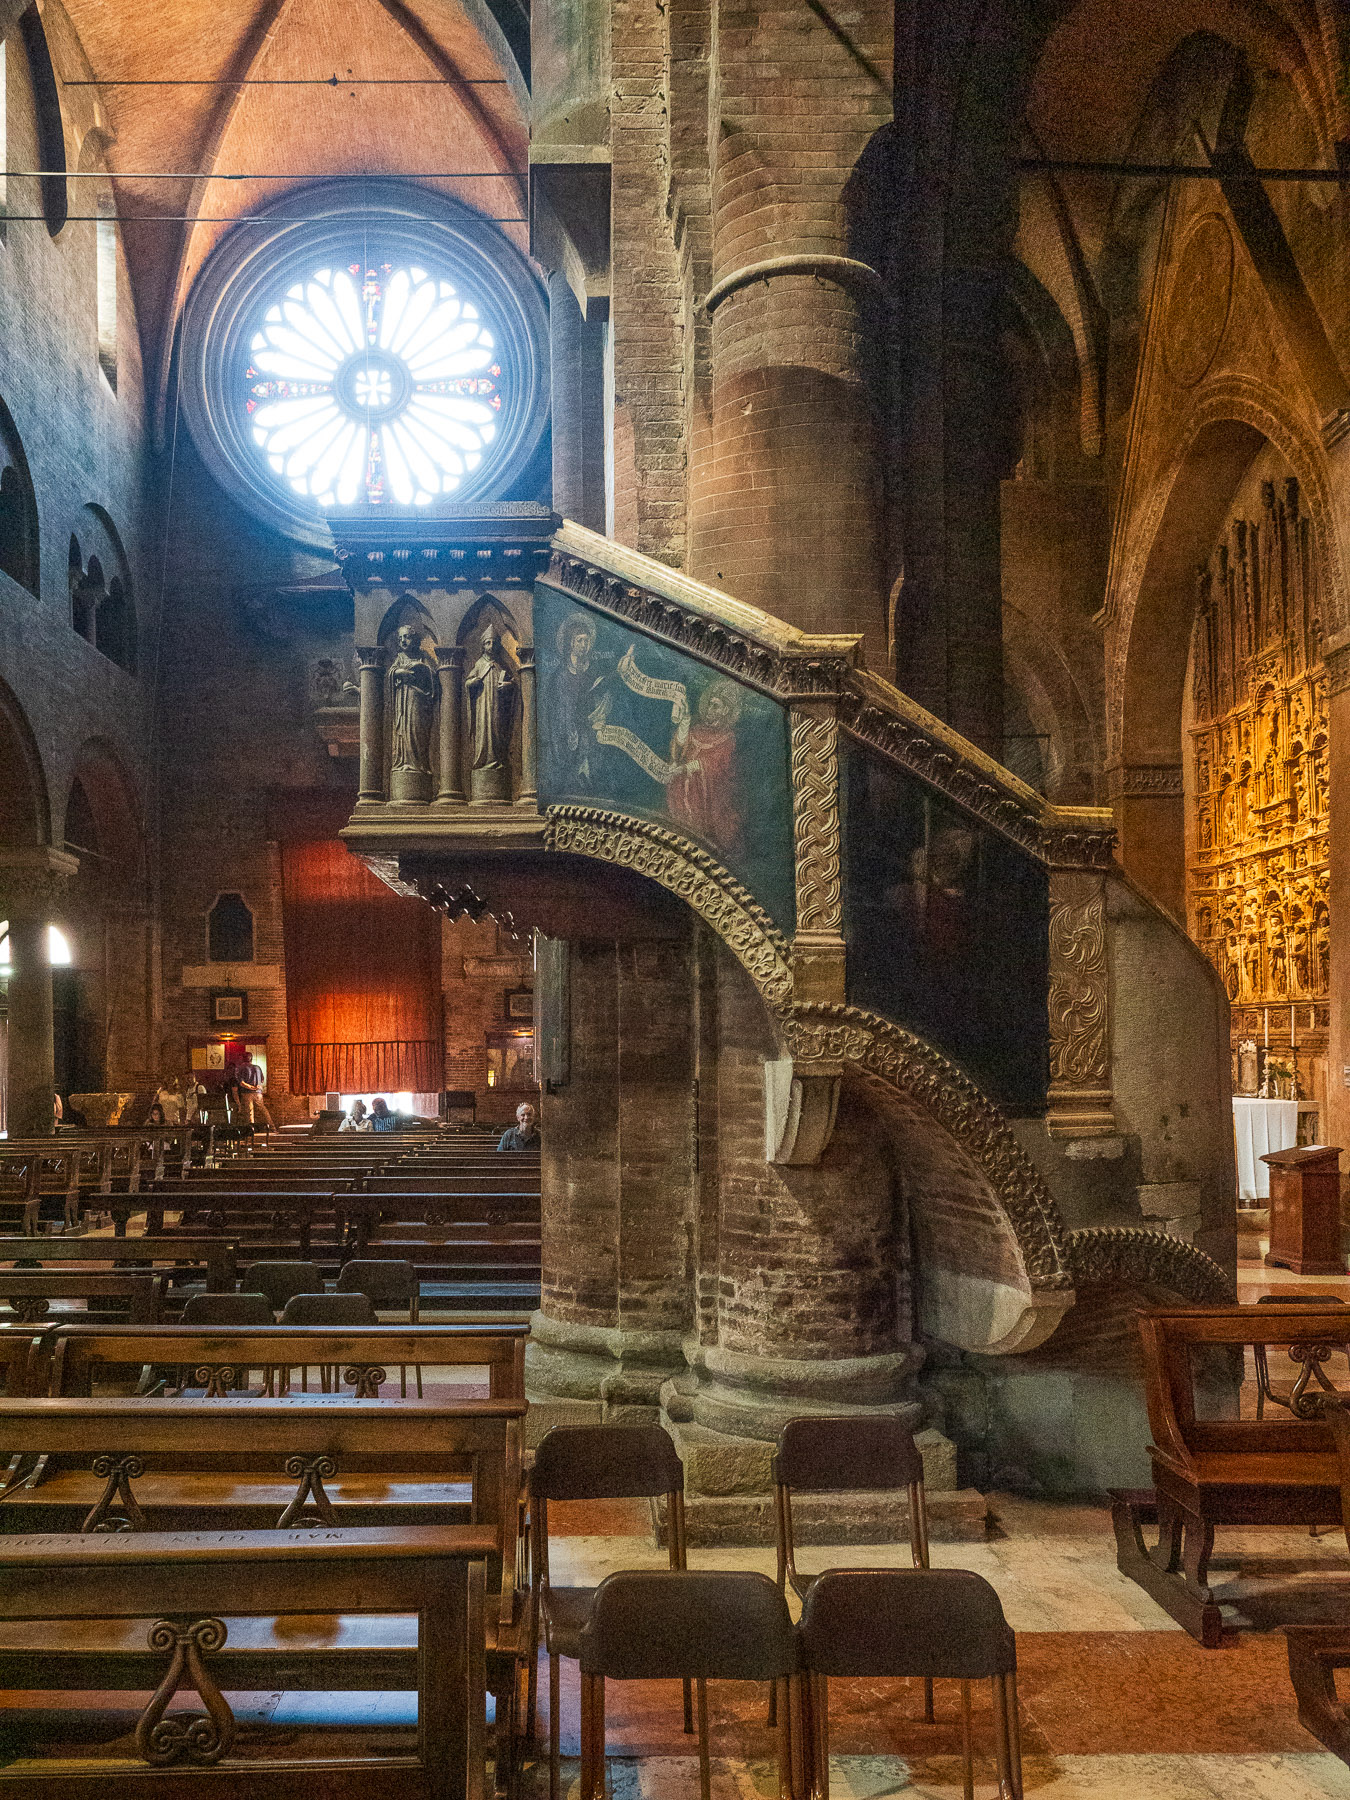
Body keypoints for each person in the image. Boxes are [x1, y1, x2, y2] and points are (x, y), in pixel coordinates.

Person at [235, 1056, 274, 1129]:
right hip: (258, 1093)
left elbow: (242, 1083)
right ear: (251, 1059)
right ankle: (272, 1128)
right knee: (263, 1110)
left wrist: (251, 1087)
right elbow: (262, 1080)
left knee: (249, 1113)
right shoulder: (258, 1067)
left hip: (247, 1093)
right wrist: (257, 1086)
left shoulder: (242, 1068)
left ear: (243, 1059)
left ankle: (251, 1131)